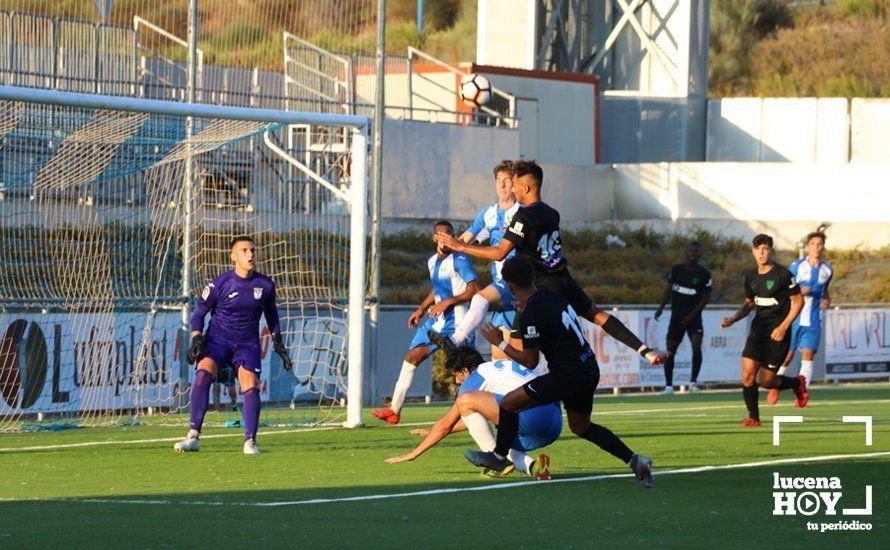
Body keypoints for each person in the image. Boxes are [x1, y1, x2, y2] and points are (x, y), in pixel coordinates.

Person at [432, 159, 662, 367]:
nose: (512, 189)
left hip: (540, 287)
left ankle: (518, 391)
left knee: (520, 354)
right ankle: (645, 350)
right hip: (563, 277)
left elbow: (500, 252)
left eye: (515, 185)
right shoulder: (552, 213)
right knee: (596, 314)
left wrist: (461, 247)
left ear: (526, 188)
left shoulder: (523, 217)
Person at [460, 256, 655, 487]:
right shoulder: (552, 296)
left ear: (509, 286)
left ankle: (499, 458)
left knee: (509, 403)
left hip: (567, 375)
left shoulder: (532, 313)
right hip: (588, 368)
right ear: (532, 277)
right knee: (581, 426)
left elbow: (530, 361)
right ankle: (635, 461)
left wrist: (499, 342)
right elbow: (548, 318)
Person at [174, 236, 292, 454]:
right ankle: (193, 437)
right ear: (233, 256)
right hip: (218, 340)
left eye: (252, 250)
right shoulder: (218, 284)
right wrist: (197, 338)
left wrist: (277, 341)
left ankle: (250, 442)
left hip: (247, 344)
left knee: (251, 384)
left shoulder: (265, 285)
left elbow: (272, 314)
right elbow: (199, 314)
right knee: (203, 372)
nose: (250, 254)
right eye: (244, 250)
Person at [385, 347, 560, 480]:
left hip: (533, 419)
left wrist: (413, 454)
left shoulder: (476, 378)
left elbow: (447, 423)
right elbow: (473, 421)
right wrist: (432, 431)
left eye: (456, 376)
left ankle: (495, 461)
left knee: (464, 401)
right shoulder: (496, 368)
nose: (456, 381)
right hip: (554, 422)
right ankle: (534, 467)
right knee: (504, 443)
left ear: (465, 370)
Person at [371, 221, 479, 425]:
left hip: (456, 321)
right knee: (411, 357)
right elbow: (436, 289)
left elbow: (475, 289)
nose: (444, 238)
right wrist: (421, 309)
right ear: (434, 238)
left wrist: (449, 301)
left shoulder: (461, 259)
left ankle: (481, 406)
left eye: (448, 234)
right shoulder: (432, 262)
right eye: (440, 235)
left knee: (466, 370)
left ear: (453, 237)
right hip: (435, 320)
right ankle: (394, 409)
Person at [721, 234, 808, 428]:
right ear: (753, 251)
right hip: (758, 332)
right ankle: (754, 417)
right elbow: (749, 303)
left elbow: (799, 301)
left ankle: (796, 383)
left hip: (778, 335)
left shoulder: (783, 275)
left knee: (767, 381)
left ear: (771, 250)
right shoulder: (751, 276)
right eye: (758, 248)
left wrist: (784, 326)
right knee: (747, 375)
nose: (761, 252)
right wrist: (733, 319)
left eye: (765, 248)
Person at [452, 160, 521, 359]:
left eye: (507, 181)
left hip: (513, 282)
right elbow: (465, 239)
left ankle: (455, 340)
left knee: (480, 298)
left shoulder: (521, 213)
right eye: (498, 180)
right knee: (501, 360)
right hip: (500, 288)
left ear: (515, 185)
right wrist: (446, 243)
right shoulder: (488, 213)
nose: (501, 185)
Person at [768, 231, 833, 405]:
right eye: (813, 244)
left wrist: (826, 299)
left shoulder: (827, 270)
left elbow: (825, 291)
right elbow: (783, 289)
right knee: (786, 357)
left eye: (819, 244)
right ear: (807, 246)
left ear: (823, 246)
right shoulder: (797, 267)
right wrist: (798, 291)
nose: (816, 247)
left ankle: (801, 393)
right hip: (794, 319)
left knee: (808, 356)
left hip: (813, 321)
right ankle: (775, 385)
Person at [654, 242, 712, 394]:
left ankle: (693, 383)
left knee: (696, 345)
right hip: (677, 318)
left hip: (694, 318)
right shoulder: (677, 270)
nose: (692, 253)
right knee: (670, 351)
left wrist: (691, 316)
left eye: (696, 251)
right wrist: (660, 307)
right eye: (690, 250)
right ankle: (668, 387)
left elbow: (704, 299)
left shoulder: (704, 274)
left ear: (700, 254)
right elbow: (668, 290)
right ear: (686, 252)